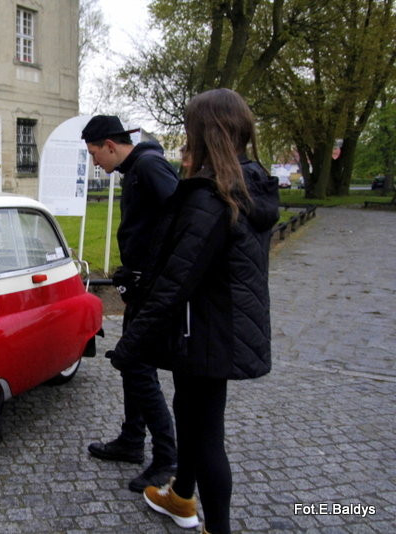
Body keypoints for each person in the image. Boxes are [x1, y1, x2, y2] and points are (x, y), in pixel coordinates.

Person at [108, 89, 279, 533]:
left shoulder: (211, 195)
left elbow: (176, 282)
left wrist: (131, 344)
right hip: (217, 327)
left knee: (207, 439)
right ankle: (182, 497)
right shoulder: (248, 183)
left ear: (204, 132)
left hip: (203, 331)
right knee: (193, 415)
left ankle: (215, 528)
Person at [81, 115, 179, 492]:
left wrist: (152, 273)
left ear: (110, 144)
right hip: (140, 287)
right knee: (131, 365)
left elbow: (181, 221)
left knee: (136, 365)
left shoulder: (150, 166)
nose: (95, 163)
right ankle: (132, 440)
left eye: (94, 154)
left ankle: (167, 458)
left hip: (152, 290)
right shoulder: (137, 168)